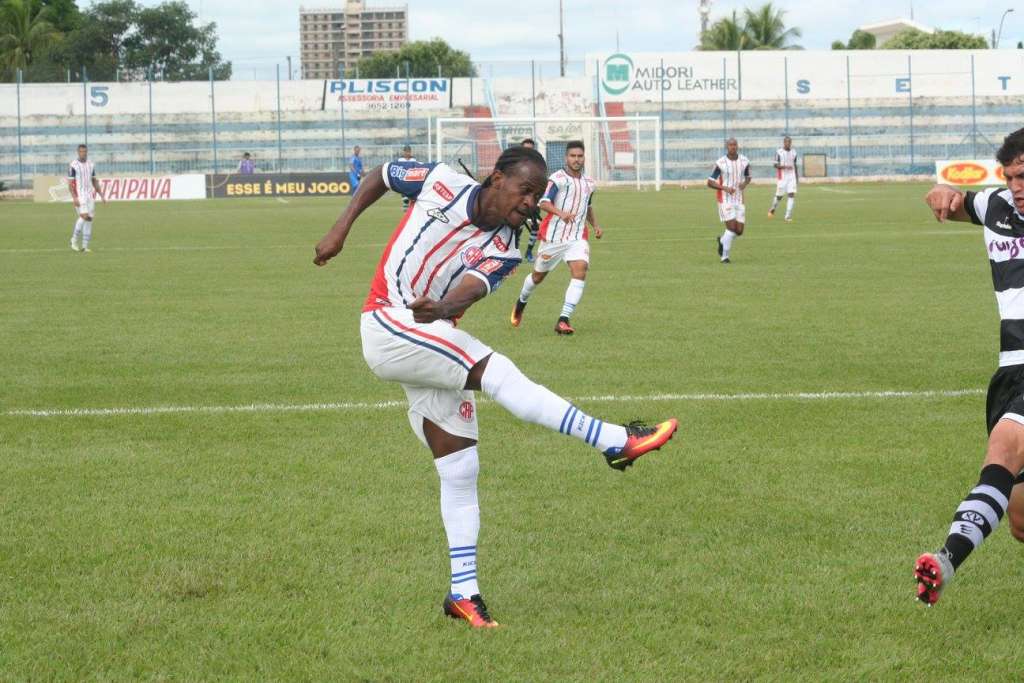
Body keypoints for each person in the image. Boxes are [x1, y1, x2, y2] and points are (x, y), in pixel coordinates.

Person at [313, 147, 678, 628]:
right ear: (496, 178)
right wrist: (341, 228)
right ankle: (614, 440)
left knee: (461, 467)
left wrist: (444, 308)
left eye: (539, 195)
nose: (531, 202)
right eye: (525, 190)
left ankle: (463, 594)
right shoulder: (438, 180)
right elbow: (382, 174)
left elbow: (473, 287)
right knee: (497, 370)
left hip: (428, 333)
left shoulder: (508, 247)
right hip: (386, 321)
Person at [915, 127, 1024, 605]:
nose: (1019, 186)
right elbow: (960, 204)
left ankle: (945, 560)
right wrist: (945, 194)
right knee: (1020, 521)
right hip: (1010, 370)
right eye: (1013, 176)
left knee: (1001, 450)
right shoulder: (997, 205)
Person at [510, 141, 601, 335]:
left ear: (584, 158)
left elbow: (588, 206)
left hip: (577, 237)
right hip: (553, 238)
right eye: (573, 156)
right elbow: (543, 203)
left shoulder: (589, 183)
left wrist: (596, 226)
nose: (576, 160)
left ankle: (563, 319)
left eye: (580, 156)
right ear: (566, 158)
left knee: (580, 270)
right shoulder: (557, 179)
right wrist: (561, 213)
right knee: (537, 277)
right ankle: (521, 301)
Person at [707, 138, 751, 264]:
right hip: (725, 199)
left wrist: (745, 184)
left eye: (735, 144)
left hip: (739, 199)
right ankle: (724, 257)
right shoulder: (721, 163)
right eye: (730, 145)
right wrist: (724, 188)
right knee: (731, 228)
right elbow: (709, 182)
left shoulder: (744, 161)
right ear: (727, 146)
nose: (733, 147)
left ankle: (722, 240)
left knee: (739, 231)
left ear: (737, 146)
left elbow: (748, 177)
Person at [68, 144, 105, 253]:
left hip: (90, 195)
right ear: (78, 152)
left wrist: (101, 194)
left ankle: (84, 247)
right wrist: (74, 197)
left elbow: (94, 181)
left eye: (85, 151)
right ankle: (73, 240)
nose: (83, 153)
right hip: (80, 195)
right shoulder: (73, 165)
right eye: (81, 151)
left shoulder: (91, 164)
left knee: (89, 219)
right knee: (84, 216)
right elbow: (70, 184)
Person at [518, 138, 542, 262]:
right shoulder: (515, 165)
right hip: (519, 200)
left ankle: (528, 252)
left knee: (535, 226)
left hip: (534, 200)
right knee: (518, 226)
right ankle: (515, 251)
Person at [768, 136, 797, 221]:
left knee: (791, 194)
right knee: (779, 196)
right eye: (786, 142)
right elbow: (775, 165)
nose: (788, 144)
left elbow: (795, 165)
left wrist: (797, 177)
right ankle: (773, 207)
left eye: (789, 142)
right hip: (782, 177)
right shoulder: (779, 152)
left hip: (792, 176)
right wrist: (785, 167)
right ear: (784, 143)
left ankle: (787, 216)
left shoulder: (794, 152)